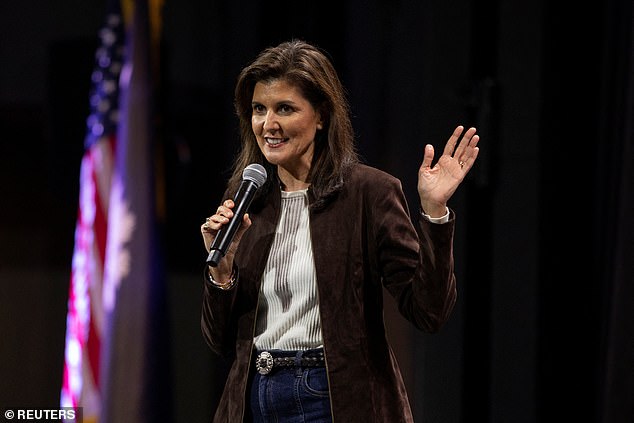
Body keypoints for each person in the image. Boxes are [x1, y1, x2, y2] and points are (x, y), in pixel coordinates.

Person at [199, 39, 480, 423]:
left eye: (285, 108)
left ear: (322, 115)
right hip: (252, 398)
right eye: (259, 110)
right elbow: (218, 339)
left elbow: (429, 311)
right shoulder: (247, 198)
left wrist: (434, 213)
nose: (269, 124)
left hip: (330, 398)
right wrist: (221, 272)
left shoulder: (369, 193)